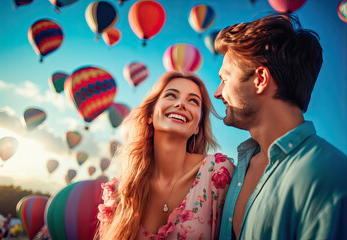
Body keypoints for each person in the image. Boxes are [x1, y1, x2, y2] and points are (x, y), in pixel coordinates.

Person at [213, 13, 347, 240]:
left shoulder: (332, 178)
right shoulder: (236, 171)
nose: (217, 93)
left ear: (260, 80)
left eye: (225, 79)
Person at [97, 71, 235, 239]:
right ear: (150, 115)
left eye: (193, 101)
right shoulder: (121, 189)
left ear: (198, 126)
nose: (181, 104)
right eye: (171, 96)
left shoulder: (218, 174)